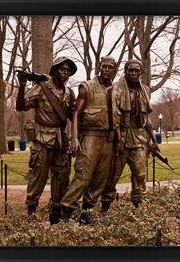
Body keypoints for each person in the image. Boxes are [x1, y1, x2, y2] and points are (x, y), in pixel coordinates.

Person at [60, 56, 122, 224]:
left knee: (100, 179)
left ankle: (87, 211)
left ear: (115, 69)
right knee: (83, 175)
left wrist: (119, 139)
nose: (107, 69)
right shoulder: (87, 87)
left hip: (108, 140)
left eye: (111, 67)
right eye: (104, 66)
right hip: (90, 136)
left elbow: (117, 117)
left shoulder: (117, 90)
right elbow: (76, 114)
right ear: (99, 67)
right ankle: (65, 210)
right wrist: (74, 138)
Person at [15, 56, 77, 225]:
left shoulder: (70, 93)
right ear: (55, 70)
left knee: (62, 176)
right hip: (42, 139)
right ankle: (31, 212)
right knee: (38, 177)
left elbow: (74, 116)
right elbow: (21, 106)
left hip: (60, 141)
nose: (65, 73)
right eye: (62, 69)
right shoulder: (41, 88)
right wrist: (21, 87)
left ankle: (56, 213)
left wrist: (75, 138)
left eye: (68, 70)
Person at [100, 59, 159, 216]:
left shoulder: (144, 90)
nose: (133, 73)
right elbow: (113, 117)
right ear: (125, 72)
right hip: (120, 137)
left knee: (140, 175)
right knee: (113, 175)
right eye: (130, 70)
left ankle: (139, 208)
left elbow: (146, 119)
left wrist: (154, 139)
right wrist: (119, 139)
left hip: (138, 138)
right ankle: (104, 208)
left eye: (136, 71)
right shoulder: (116, 89)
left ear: (140, 73)